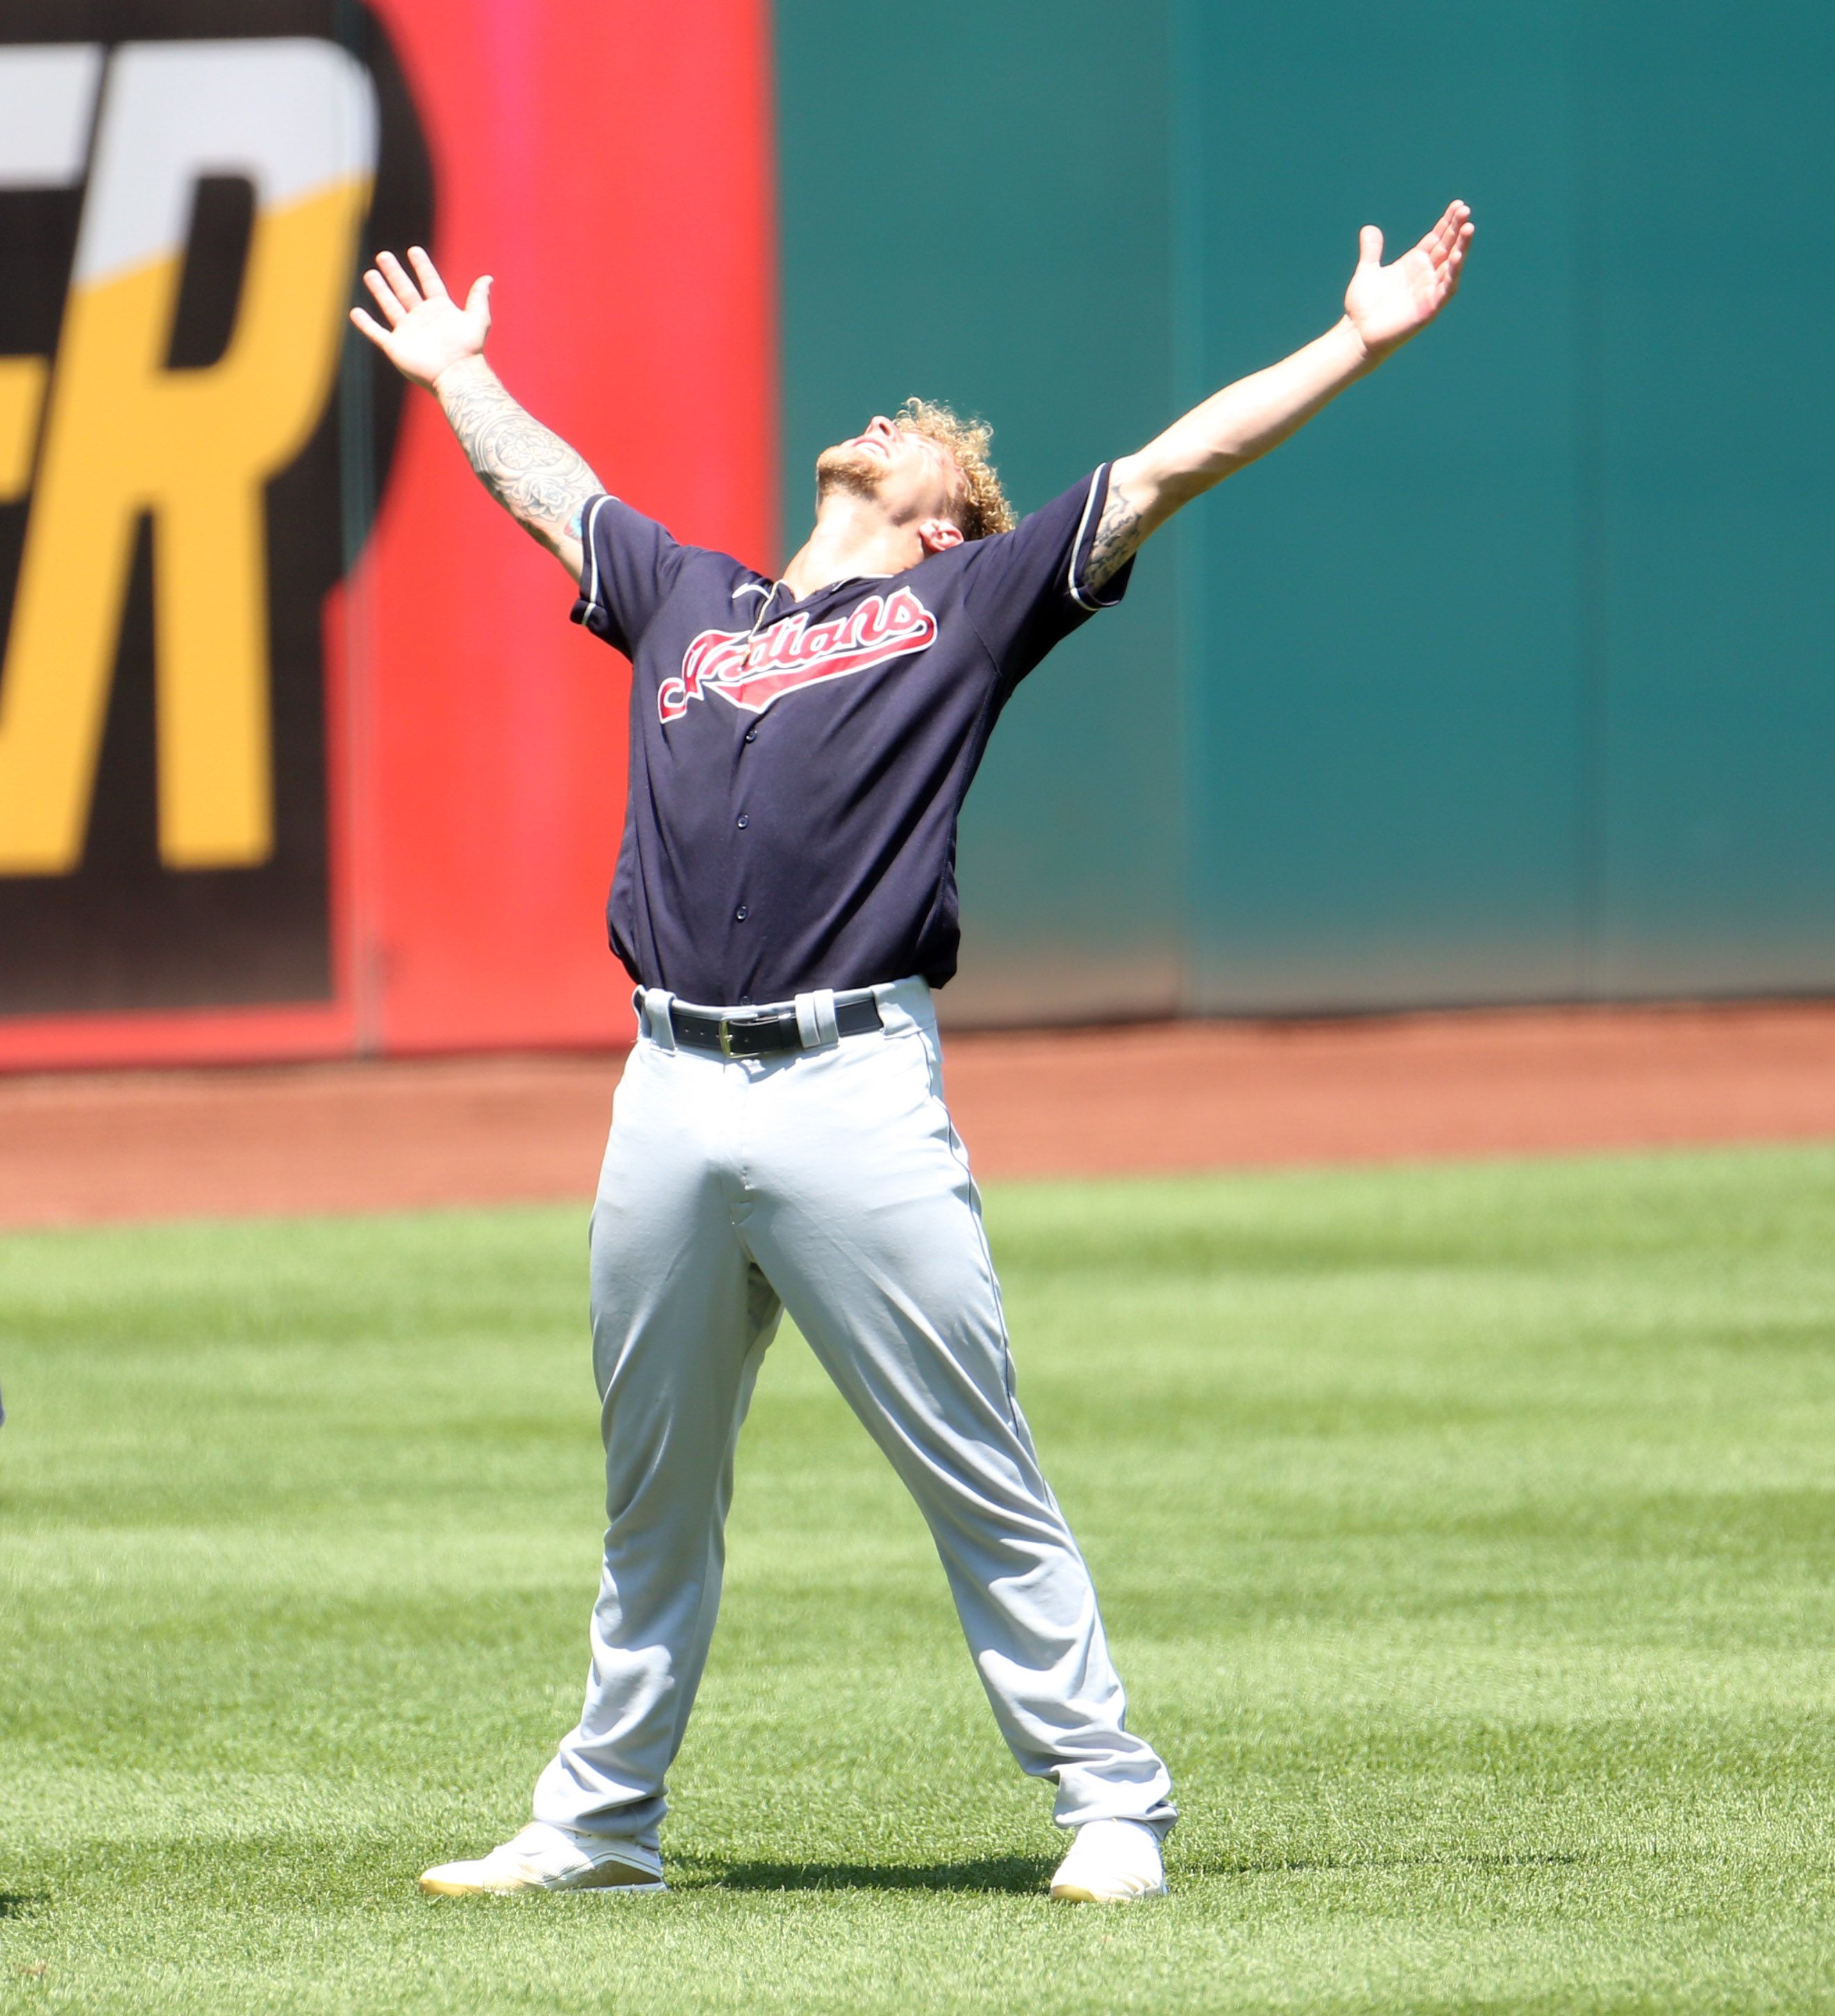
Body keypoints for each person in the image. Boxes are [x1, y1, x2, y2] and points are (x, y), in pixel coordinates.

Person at [350, 199, 1474, 1906]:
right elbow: (553, 495)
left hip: (848, 1089)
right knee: (651, 1494)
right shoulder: (696, 605)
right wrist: (459, 378)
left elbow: (1171, 466)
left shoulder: (967, 608)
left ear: (948, 520)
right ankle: (597, 1826)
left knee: (972, 1463)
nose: (880, 424)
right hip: (662, 1085)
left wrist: (1353, 342)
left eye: (913, 439)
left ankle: (1109, 1801)